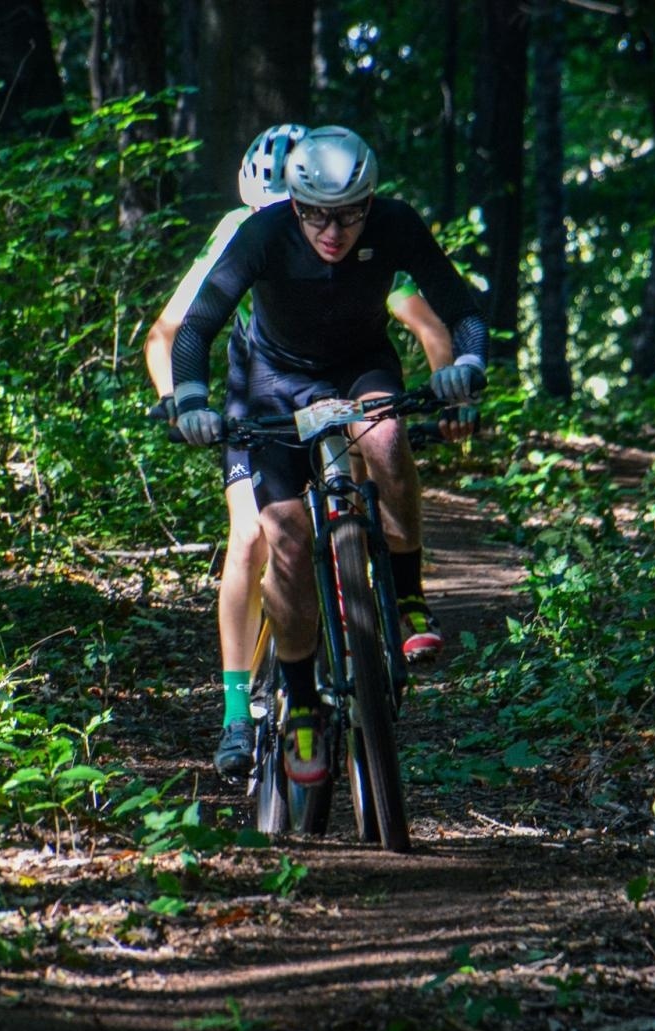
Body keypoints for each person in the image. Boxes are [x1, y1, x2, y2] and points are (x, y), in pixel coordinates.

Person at [145, 124, 473, 781]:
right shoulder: (254, 232)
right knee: (268, 537)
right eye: (314, 214)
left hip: (354, 369)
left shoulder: (383, 231)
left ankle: (400, 597)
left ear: (366, 202)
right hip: (264, 386)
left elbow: (443, 313)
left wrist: (459, 376)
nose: (332, 231)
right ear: (290, 205)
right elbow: (183, 329)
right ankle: (264, 706)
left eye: (348, 214)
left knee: (383, 437)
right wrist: (186, 402)